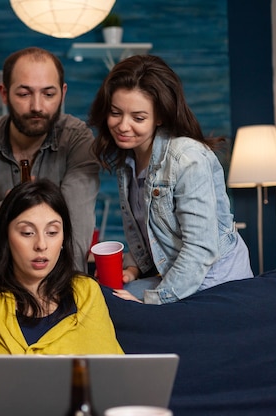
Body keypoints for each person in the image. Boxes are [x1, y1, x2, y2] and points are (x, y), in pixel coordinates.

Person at [0, 179, 122, 416]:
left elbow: (114, 376)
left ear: (63, 239)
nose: (41, 245)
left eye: (52, 232)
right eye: (27, 233)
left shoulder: (86, 292)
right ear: (6, 237)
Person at [88, 54, 253, 305]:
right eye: (115, 113)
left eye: (138, 118)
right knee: (102, 300)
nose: (123, 125)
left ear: (160, 117)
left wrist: (151, 301)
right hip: (178, 279)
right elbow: (152, 232)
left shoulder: (188, 159)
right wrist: (131, 269)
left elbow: (200, 249)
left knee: (116, 310)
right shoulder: (129, 162)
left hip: (217, 284)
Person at [0, 47, 100, 277]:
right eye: (24, 94)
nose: (37, 106)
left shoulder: (77, 139)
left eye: (49, 94)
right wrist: (7, 208)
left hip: (51, 284)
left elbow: (76, 227)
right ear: (4, 93)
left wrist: (68, 291)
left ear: (63, 93)